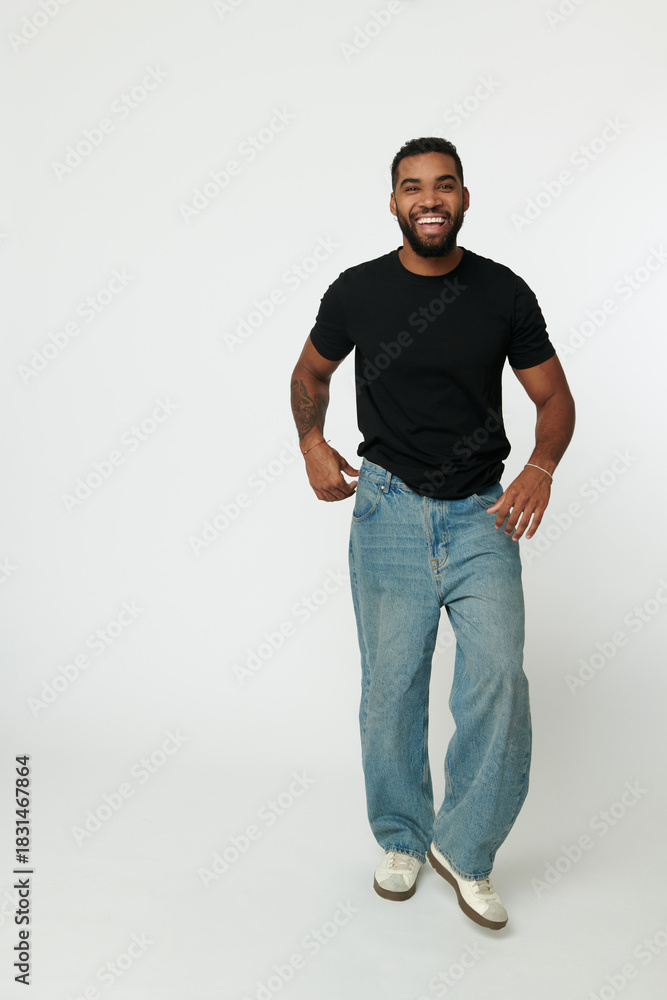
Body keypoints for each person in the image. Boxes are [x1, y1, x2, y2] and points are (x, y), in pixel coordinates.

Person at [289, 136, 575, 930]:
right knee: (391, 689)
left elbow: (554, 398)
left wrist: (540, 466)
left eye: (443, 185)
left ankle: (464, 848)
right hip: (386, 508)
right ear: (392, 202)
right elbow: (310, 372)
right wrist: (311, 441)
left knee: (497, 678)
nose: (429, 199)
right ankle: (401, 837)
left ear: (463, 198)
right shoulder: (356, 291)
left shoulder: (502, 291)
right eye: (412, 186)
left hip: (482, 511)